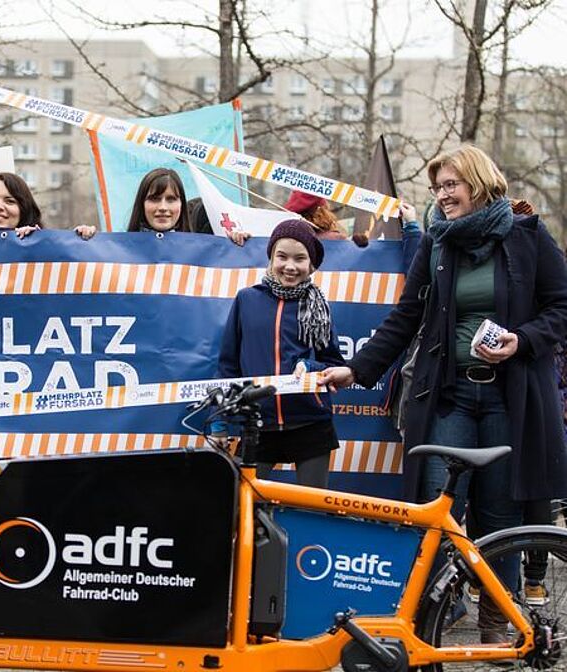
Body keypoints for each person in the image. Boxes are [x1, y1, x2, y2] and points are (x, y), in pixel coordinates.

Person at [320, 145, 567, 642]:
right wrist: (357, 370)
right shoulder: (436, 241)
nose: (442, 195)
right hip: (448, 397)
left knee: (500, 515)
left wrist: (522, 340)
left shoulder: (526, 235)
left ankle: (496, 625)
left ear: (478, 182)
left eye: (451, 185)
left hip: (509, 400)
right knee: (438, 510)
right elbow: (406, 316)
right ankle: (433, 616)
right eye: (436, 188)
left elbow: (561, 306)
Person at [214, 219, 345, 488]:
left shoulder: (319, 307)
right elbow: (228, 365)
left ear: (312, 265)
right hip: (257, 423)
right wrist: (219, 423)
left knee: (312, 507)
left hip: (311, 423)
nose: (290, 266)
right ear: (271, 258)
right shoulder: (246, 299)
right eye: (282, 256)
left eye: (300, 258)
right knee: (240, 502)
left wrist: (309, 366)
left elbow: (333, 363)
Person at [74, 168, 247, 244]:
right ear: (142, 204)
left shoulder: (205, 252)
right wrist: (84, 242)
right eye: (155, 199)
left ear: (181, 205)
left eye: (171, 199)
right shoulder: (118, 252)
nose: (163, 207)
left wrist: (238, 247)